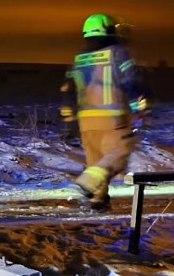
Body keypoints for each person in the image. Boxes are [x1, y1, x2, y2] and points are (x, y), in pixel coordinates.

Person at [60, 13, 148, 211]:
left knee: (96, 159)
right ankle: (85, 185)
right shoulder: (117, 53)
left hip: (86, 120)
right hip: (112, 117)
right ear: (109, 30)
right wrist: (138, 108)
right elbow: (130, 81)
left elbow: (68, 90)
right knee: (118, 152)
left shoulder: (79, 59)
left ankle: (97, 200)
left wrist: (69, 119)